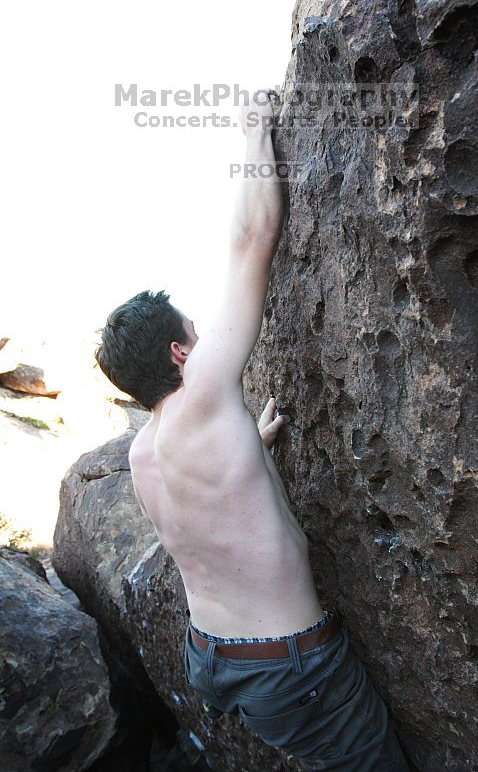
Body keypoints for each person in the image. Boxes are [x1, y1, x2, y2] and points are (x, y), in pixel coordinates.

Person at [95, 90, 409, 771]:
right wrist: (250, 131)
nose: (205, 338)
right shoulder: (203, 394)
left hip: (214, 659)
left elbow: (206, 520)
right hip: (290, 669)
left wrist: (251, 448)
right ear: (182, 356)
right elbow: (250, 243)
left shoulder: (145, 456)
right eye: (195, 334)